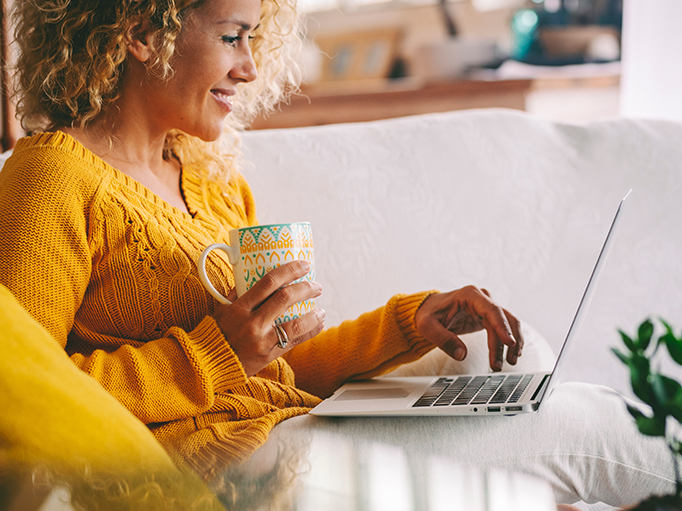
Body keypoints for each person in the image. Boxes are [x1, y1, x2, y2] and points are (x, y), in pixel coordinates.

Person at [0, 0, 674, 506]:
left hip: (289, 432)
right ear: (144, 32)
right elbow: (25, 397)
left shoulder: (210, 180)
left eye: (253, 38)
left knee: (528, 362)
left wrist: (412, 322)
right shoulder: (54, 175)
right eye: (232, 36)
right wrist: (217, 353)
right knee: (584, 427)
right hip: (220, 470)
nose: (250, 66)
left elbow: (283, 369)